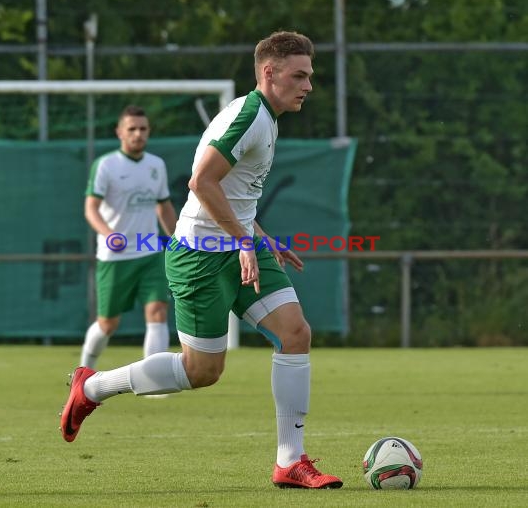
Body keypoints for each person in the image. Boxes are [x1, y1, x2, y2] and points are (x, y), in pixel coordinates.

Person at [60, 31, 343, 490]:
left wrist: (262, 240)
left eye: (310, 76)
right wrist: (244, 242)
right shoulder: (250, 117)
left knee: (295, 333)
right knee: (202, 372)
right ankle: (91, 387)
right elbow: (201, 183)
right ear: (269, 73)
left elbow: (237, 196)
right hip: (202, 257)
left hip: (240, 245)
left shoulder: (268, 118)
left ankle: (290, 461)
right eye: (300, 75)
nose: (308, 85)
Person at [79, 105, 177, 370]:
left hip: (149, 252)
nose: (138, 134)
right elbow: (90, 207)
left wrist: (179, 240)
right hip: (115, 258)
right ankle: (84, 370)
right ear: (119, 132)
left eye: (143, 129)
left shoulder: (156, 165)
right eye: (132, 129)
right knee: (108, 323)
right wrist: (109, 234)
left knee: (158, 311)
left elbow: (163, 206)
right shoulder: (106, 165)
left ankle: (152, 380)